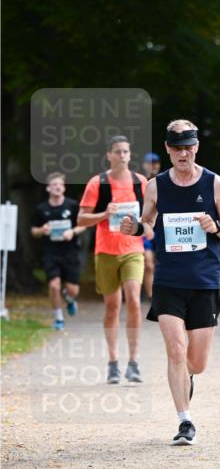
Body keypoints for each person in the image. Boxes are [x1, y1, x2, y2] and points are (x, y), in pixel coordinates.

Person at [120, 118, 220, 446]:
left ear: (196, 147)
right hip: (168, 280)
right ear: (168, 150)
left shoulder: (214, 183)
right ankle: (185, 421)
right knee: (175, 349)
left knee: (196, 362)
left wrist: (216, 226)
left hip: (204, 280)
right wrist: (136, 229)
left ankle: (188, 377)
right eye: (177, 148)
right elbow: (148, 223)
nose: (183, 154)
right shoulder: (155, 185)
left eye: (188, 147)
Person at [78, 136, 151, 383]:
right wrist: (103, 214)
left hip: (133, 249)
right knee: (112, 307)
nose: (122, 156)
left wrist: (146, 227)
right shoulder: (97, 183)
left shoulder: (140, 182)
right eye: (117, 152)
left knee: (134, 301)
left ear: (130, 155)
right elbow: (81, 219)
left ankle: (134, 362)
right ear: (109, 155)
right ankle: (113, 362)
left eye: (125, 152)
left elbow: (151, 215)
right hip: (106, 251)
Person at [30, 172, 86, 330]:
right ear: (48, 188)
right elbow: (33, 231)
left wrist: (72, 232)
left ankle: (69, 299)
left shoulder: (72, 205)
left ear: (64, 188)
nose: (57, 187)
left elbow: (83, 225)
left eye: (60, 184)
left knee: (73, 290)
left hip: (70, 251)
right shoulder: (41, 209)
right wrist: (42, 230)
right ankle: (59, 318)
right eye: (54, 184)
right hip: (50, 252)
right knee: (54, 286)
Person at [141, 154, 162, 301]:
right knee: (148, 262)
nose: (153, 166)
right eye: (149, 163)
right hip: (146, 226)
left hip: (162, 227)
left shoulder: (166, 181)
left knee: (160, 263)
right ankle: (151, 297)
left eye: (155, 163)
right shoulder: (138, 182)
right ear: (144, 165)